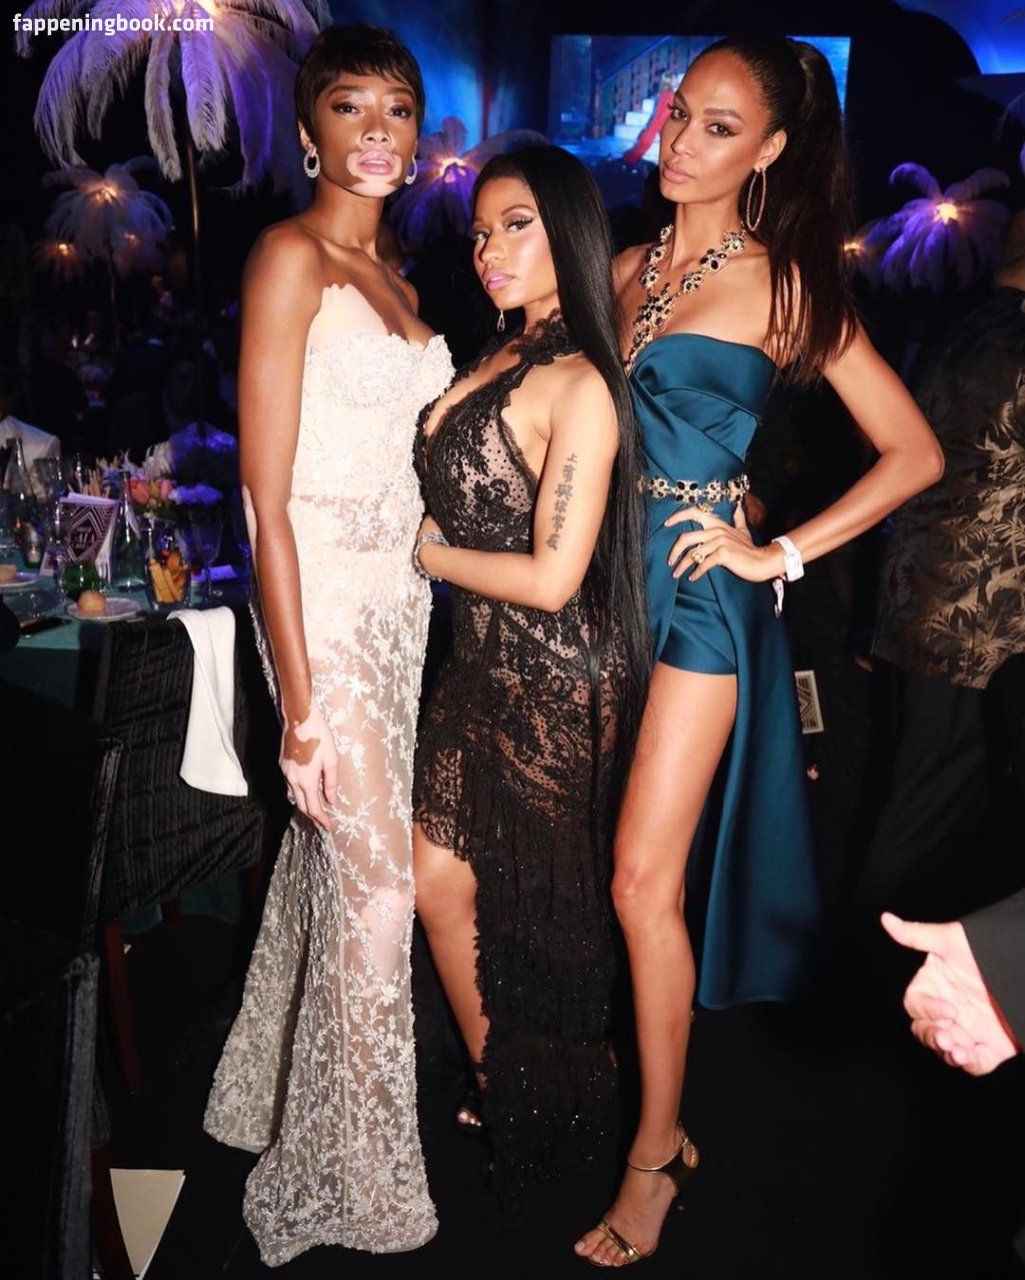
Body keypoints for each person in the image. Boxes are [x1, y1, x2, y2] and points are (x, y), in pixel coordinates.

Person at [575, 34, 944, 1267]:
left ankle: (654, 1153)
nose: (681, 140)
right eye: (679, 110)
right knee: (616, 864)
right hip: (598, 590)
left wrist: (775, 551)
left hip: (698, 600)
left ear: (772, 150)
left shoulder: (785, 285)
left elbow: (913, 452)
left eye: (719, 127)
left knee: (640, 878)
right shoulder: (621, 266)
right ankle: (633, 1075)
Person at [202, 24, 452, 1263]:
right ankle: (350, 1170)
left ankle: (260, 1090)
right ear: (308, 131)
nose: (375, 131)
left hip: (401, 612)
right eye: (349, 106)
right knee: (382, 883)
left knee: (335, 867)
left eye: (396, 108)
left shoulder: (398, 276)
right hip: (321, 611)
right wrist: (297, 706)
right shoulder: (287, 255)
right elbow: (265, 499)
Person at [411, 146, 650, 1190]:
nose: (489, 249)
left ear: (570, 232)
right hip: (477, 661)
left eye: (516, 225)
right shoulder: (501, 352)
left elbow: (555, 579)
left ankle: (555, 1096)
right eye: (479, 231)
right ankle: (510, 1074)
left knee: (539, 909)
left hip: (555, 673)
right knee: (438, 880)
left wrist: (427, 558)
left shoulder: (580, 377)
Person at [860, 224, 1025, 925]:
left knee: (930, 802)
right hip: (979, 623)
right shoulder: (1015, 342)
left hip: (919, 599)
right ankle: (871, 965)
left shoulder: (962, 329)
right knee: (929, 815)